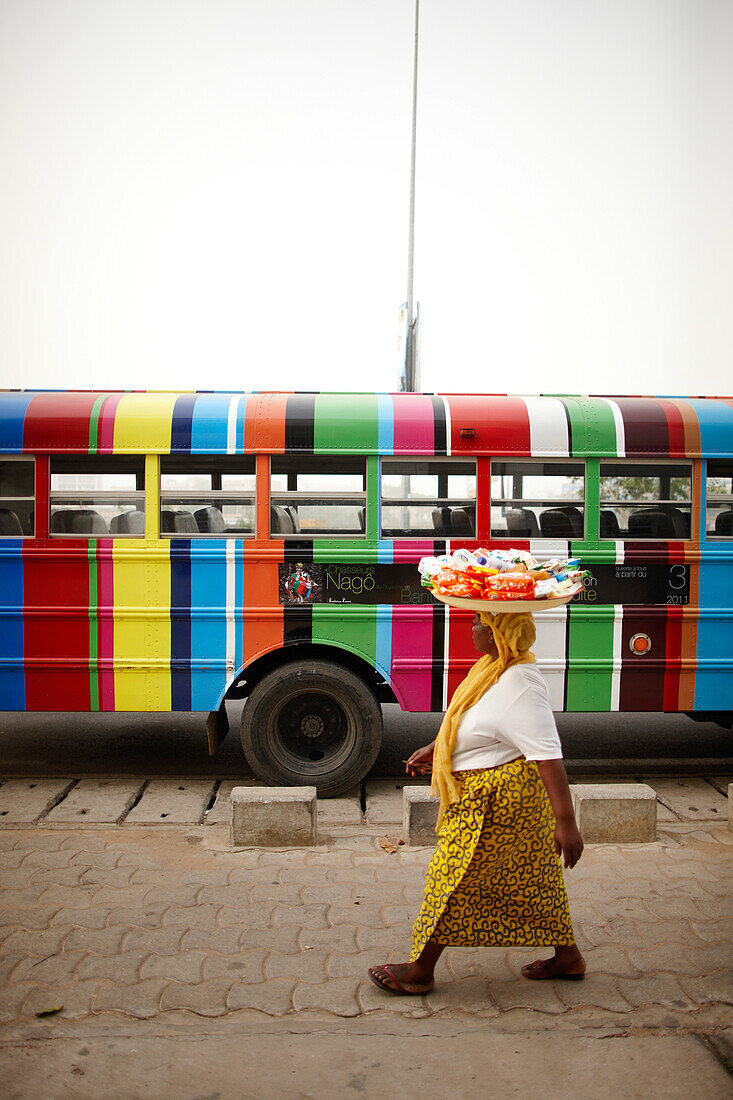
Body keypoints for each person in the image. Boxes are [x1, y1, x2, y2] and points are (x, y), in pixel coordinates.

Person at [368, 609, 585, 995]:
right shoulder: (491, 669)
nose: (472, 627)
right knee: (535, 880)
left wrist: (565, 821)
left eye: (479, 622)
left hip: (496, 804)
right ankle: (568, 958)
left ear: (499, 632)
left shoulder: (521, 682)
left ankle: (421, 970)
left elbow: (548, 754)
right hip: (489, 796)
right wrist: (437, 750)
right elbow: (470, 721)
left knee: (452, 878)